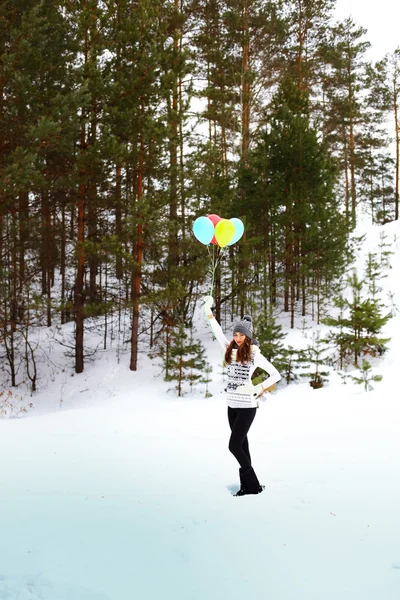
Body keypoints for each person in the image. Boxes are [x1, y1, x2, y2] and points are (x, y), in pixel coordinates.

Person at [203, 296, 281, 496]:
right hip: (231, 405)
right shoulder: (229, 351)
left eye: (241, 334)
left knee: (234, 445)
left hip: (247, 406)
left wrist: (256, 389)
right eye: (236, 334)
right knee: (243, 445)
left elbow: (275, 374)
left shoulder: (254, 354)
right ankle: (247, 487)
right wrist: (208, 311)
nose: (238, 337)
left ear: (248, 336)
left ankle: (253, 485)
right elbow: (217, 331)